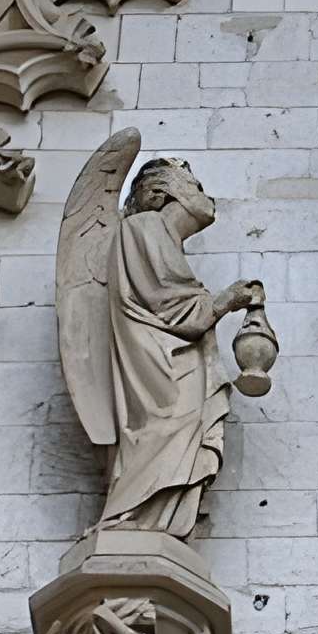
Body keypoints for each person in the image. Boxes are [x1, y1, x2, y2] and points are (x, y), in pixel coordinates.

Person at [104, 157, 261, 535]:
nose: (207, 198)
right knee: (165, 428)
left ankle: (158, 525)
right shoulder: (143, 228)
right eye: (196, 187)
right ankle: (130, 520)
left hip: (175, 359)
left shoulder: (161, 240)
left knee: (179, 435)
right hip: (160, 365)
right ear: (167, 192)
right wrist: (225, 301)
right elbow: (170, 306)